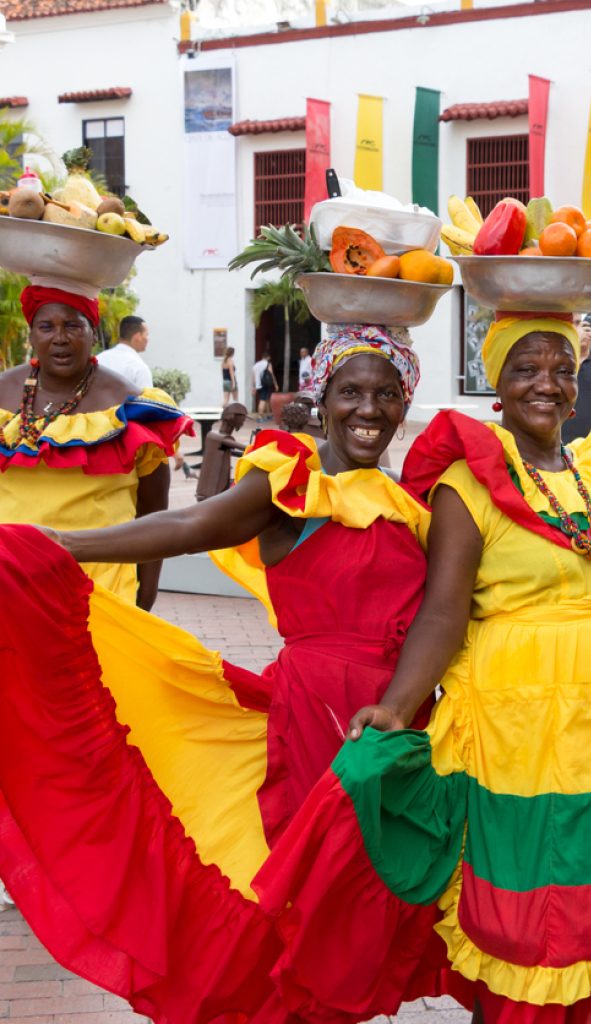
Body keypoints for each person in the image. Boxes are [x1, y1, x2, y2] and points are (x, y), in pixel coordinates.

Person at [0, 324, 433, 1021]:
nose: (369, 409)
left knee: (364, 915)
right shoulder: (292, 479)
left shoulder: (411, 502)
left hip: (399, 734)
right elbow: (195, 523)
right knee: (309, 911)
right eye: (350, 391)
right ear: (321, 397)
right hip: (321, 725)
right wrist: (67, 544)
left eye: (387, 393)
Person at [253, 312, 591, 1023]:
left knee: (583, 900)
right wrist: (399, 708)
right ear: (496, 383)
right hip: (510, 727)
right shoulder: (470, 482)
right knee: (518, 906)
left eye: (560, 368)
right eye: (525, 370)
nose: (546, 385)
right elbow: (443, 610)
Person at [0, 287, 189, 608]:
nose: (59, 338)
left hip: (101, 591)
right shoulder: (3, 392)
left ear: (92, 333)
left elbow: (153, 509)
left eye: (73, 326)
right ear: (32, 335)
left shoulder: (132, 407)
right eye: (47, 327)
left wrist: (148, 588)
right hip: (11, 585)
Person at [193, 401, 248, 501]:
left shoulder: (214, 435)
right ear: (233, 417)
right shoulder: (221, 438)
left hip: (212, 485)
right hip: (214, 487)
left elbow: (229, 451)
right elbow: (245, 448)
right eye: (242, 419)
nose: (243, 422)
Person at [96, 315, 153, 391]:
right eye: (146, 334)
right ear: (138, 336)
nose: (147, 339)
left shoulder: (98, 359)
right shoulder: (139, 368)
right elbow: (146, 400)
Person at [252, 349, 277, 422]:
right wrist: (275, 384)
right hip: (265, 384)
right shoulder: (268, 364)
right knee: (263, 400)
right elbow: (271, 374)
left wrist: (254, 387)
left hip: (258, 385)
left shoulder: (256, 365)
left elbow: (253, 377)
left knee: (266, 399)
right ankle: (260, 417)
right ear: (268, 357)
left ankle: (268, 414)